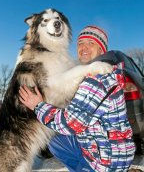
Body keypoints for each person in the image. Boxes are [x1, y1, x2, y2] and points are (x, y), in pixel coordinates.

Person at [19, 26, 136, 171]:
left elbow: (70, 123)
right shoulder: (104, 71)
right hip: (114, 152)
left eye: (91, 43)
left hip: (107, 162)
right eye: (80, 43)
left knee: (56, 136)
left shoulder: (97, 79)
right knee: (56, 139)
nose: (84, 47)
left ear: (101, 50)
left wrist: (38, 106)